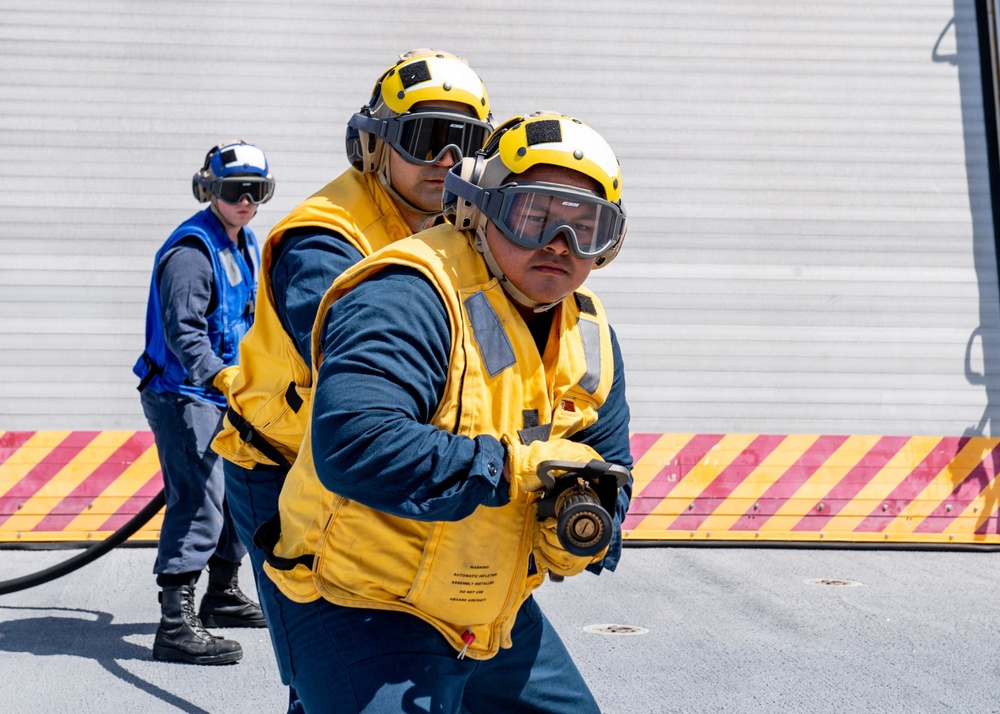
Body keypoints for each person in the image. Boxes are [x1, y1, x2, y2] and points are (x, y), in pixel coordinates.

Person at [263, 112, 633, 713]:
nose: (558, 245)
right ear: (478, 208)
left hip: (482, 603)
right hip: (360, 598)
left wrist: (581, 530)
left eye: (585, 228)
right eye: (533, 215)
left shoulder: (587, 334)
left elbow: (610, 466)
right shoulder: (410, 293)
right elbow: (353, 442)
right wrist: (512, 470)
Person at [209, 50, 492, 707]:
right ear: (374, 144)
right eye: (426, 138)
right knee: (326, 655)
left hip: (364, 456)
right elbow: (361, 370)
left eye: (466, 142)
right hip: (280, 468)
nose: (447, 160)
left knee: (343, 675)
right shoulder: (326, 240)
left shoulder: (454, 229)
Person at [133, 140, 274, 665]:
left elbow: (251, 316)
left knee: (236, 489)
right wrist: (223, 378)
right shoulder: (193, 253)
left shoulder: (243, 241)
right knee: (198, 500)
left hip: (226, 391)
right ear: (209, 190)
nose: (244, 200)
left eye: (255, 191)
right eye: (234, 191)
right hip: (184, 394)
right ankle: (174, 624)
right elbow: (183, 334)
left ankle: (220, 595)